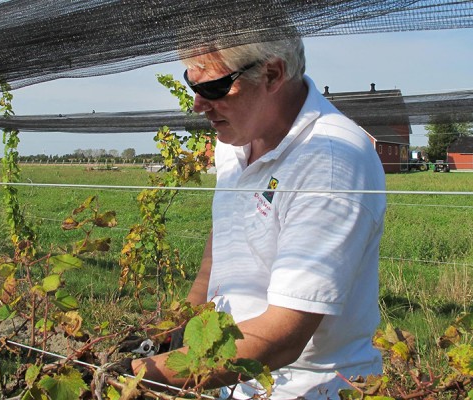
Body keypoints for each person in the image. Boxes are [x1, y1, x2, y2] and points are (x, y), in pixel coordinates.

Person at [129, 35, 387, 399]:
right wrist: (175, 326)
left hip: (305, 389)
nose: (198, 104)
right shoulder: (235, 139)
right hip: (229, 381)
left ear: (271, 75)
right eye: (193, 84)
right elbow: (227, 234)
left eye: (215, 87)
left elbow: (283, 336)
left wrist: (138, 374)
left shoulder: (330, 162)